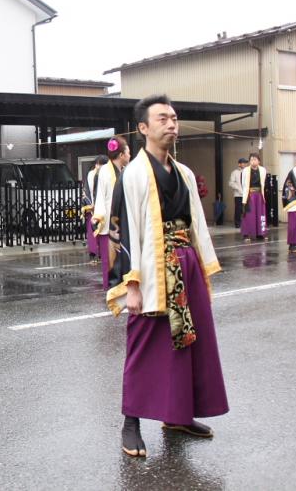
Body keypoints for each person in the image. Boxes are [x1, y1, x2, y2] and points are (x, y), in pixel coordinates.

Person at [107, 94, 228, 458]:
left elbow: (196, 224)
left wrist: (201, 269)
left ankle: (178, 415)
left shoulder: (185, 173)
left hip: (185, 263)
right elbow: (123, 230)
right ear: (143, 128)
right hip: (150, 268)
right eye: (162, 118)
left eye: (174, 118)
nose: (171, 123)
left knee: (189, 342)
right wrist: (131, 284)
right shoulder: (133, 175)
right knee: (144, 345)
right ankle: (131, 423)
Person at [94, 137, 130, 290]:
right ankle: (111, 290)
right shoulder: (105, 172)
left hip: (119, 221)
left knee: (120, 258)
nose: (129, 155)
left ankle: (119, 287)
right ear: (121, 155)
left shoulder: (122, 171)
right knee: (110, 261)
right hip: (109, 221)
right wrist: (99, 216)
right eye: (128, 152)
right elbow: (101, 197)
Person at [83, 155, 108, 264]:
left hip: (94, 205)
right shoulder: (96, 174)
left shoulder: (93, 174)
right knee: (99, 230)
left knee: (96, 230)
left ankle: (96, 251)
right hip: (97, 206)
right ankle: (98, 252)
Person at [240, 153, 268, 241]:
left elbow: (263, 183)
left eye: (255, 159)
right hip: (250, 195)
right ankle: (247, 234)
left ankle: (260, 233)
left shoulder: (263, 170)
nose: (253, 161)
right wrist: (246, 194)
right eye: (251, 159)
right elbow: (243, 183)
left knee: (260, 214)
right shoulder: (245, 170)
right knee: (249, 215)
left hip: (259, 195)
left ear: (259, 161)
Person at [228, 158, 247, 227]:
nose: (244, 164)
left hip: (246, 193)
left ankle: (246, 223)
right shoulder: (234, 172)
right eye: (243, 163)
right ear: (239, 164)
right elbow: (230, 183)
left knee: (246, 209)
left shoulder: (247, 172)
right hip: (238, 194)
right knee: (238, 209)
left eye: (245, 163)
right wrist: (238, 188)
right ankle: (237, 223)